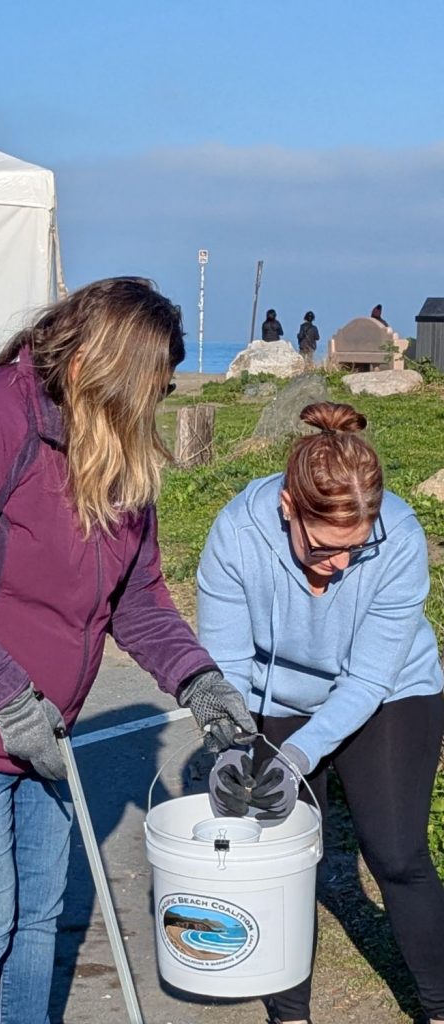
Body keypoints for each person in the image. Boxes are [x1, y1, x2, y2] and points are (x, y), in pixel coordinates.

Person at [0, 277, 256, 1024]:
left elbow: (137, 599)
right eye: (149, 385)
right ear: (90, 367)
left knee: (37, 915)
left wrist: (200, 684)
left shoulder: (116, 450)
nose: (156, 404)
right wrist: (8, 697)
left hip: (40, 730)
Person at [197, 401, 444, 1024]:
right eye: (325, 548)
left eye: (355, 549)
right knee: (280, 857)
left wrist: (302, 755)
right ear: (288, 507)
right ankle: (290, 1015)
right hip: (276, 697)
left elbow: (367, 678)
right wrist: (230, 746)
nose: (339, 566)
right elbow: (226, 665)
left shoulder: (403, 536)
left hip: (390, 692)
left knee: (395, 853)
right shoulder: (235, 534)